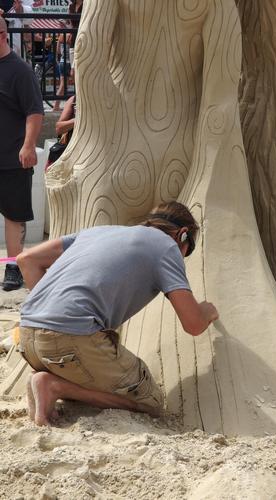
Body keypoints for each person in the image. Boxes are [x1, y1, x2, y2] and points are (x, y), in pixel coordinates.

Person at [16, 201, 219, 426]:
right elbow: (193, 324)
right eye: (187, 250)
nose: (182, 258)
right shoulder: (166, 246)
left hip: (27, 338)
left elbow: (27, 260)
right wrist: (207, 311)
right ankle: (54, 385)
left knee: (82, 365)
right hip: (70, 342)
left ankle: (52, 381)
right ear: (182, 235)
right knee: (150, 401)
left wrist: (51, 314)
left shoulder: (98, 232)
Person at [0, 16, 44, 291]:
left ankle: (14, 267)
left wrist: (28, 146)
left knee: (14, 216)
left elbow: (35, 111)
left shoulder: (20, 71)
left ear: (2, 34)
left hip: (11, 157)